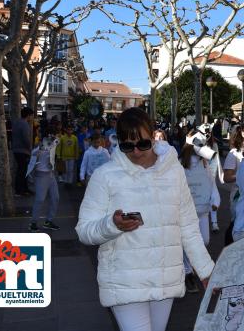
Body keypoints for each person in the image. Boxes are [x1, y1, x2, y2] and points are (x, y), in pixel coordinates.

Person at [76, 107, 214, 331]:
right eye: (128, 146)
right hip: (124, 281)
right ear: (118, 142)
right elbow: (84, 230)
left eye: (142, 143)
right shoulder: (105, 176)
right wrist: (112, 225)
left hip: (164, 277)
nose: (136, 152)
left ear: (153, 136)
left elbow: (188, 226)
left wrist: (206, 270)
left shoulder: (174, 170)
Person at [179, 130, 220, 293]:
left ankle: (192, 264)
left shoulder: (205, 163)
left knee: (204, 240)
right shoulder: (180, 163)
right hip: (187, 212)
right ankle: (188, 271)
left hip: (203, 210)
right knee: (188, 240)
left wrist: (215, 200)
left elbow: (211, 183)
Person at [222, 120, 244, 245]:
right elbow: (227, 177)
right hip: (238, 196)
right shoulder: (234, 154)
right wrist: (242, 175)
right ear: (243, 133)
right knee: (238, 226)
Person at [27, 136, 61, 232]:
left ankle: (48, 221)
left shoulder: (53, 145)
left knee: (55, 198)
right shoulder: (37, 150)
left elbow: (58, 140)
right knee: (40, 199)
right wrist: (40, 147)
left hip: (51, 175)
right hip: (41, 176)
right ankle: (33, 223)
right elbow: (33, 154)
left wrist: (53, 140)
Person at [12, 107, 34, 196]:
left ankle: (24, 189)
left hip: (17, 149)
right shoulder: (24, 124)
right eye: (31, 115)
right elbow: (26, 139)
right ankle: (20, 190)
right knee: (22, 171)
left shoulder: (17, 122)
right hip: (23, 150)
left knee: (23, 170)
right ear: (28, 115)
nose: (32, 118)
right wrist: (30, 148)